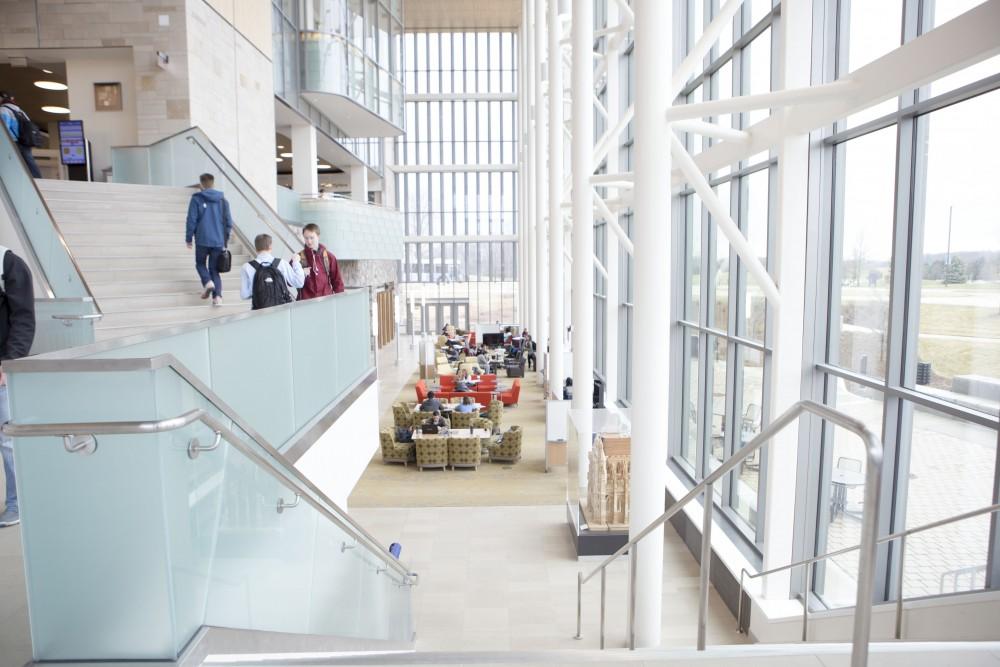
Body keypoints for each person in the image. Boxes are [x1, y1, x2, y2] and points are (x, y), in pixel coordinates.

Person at [0, 247, 36, 528]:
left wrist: (10, 362)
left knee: (8, 440)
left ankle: (18, 502)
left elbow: (23, 317)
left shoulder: (8, 262)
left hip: (1, 369)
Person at [186, 173, 233, 307]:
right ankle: (217, 298)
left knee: (200, 263)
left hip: (202, 240)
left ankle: (207, 282)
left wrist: (189, 238)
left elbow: (191, 220)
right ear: (213, 184)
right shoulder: (223, 201)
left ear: (201, 184)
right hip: (218, 242)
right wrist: (225, 240)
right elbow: (229, 223)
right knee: (214, 270)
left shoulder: (196, 199)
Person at [240, 233, 305, 310]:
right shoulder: (282, 263)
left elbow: (244, 295)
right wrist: (296, 262)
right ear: (270, 246)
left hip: (259, 311)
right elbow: (299, 283)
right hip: (281, 310)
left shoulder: (246, 267)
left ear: (256, 248)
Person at [296, 223, 344, 300]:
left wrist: (340, 301)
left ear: (318, 236)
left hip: (326, 303)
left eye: (312, 238)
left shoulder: (329, 257)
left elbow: (337, 282)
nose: (309, 241)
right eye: (306, 238)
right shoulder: (298, 258)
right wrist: (300, 272)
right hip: (305, 304)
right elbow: (290, 281)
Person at [0, 92, 42, 178]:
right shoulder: (20, 110)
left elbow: (4, 127)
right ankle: (37, 178)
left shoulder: (3, 110)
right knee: (28, 160)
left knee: (12, 160)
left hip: (14, 140)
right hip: (25, 139)